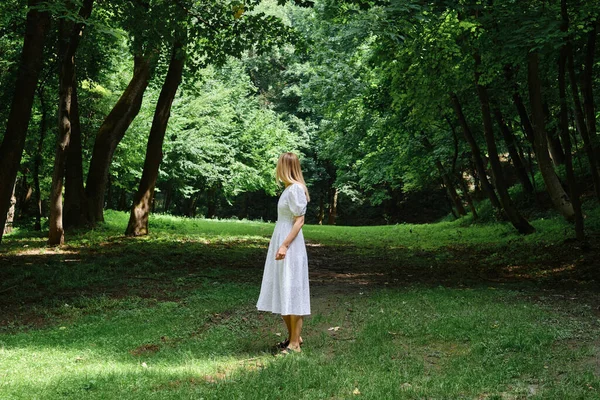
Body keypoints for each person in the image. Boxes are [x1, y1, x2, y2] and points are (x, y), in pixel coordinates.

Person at [256, 152, 310, 354]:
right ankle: (294, 338)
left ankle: (295, 345)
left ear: (286, 166)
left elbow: (299, 221)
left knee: (292, 289)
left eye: (279, 164)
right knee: (282, 288)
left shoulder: (296, 189)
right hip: (281, 239)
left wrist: (285, 245)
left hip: (291, 245)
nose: (277, 168)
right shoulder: (288, 188)